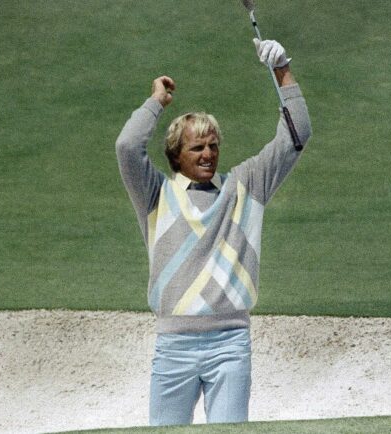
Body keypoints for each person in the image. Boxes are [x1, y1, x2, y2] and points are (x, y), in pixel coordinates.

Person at [115, 38, 311, 426]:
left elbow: (296, 136)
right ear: (176, 155)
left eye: (213, 146)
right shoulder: (156, 195)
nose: (208, 155)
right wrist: (156, 102)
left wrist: (282, 71)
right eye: (197, 148)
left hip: (230, 345)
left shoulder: (245, 186)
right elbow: (127, 147)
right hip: (174, 346)